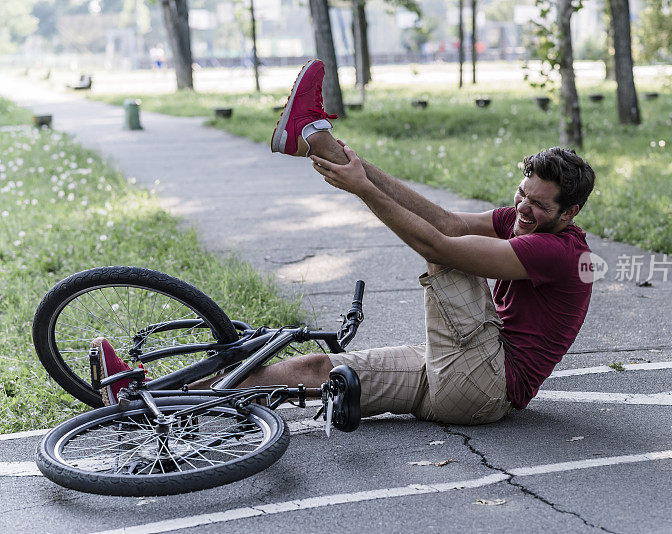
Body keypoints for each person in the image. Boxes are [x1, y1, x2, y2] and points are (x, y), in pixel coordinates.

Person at [97, 59, 596, 427]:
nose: (523, 211)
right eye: (521, 194)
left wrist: (361, 190)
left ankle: (313, 135)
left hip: (486, 386)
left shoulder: (562, 253)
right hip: (463, 370)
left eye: (539, 206)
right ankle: (145, 398)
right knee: (318, 368)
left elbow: (441, 247)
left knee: (453, 257)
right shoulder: (526, 221)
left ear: (569, 213)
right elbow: (442, 216)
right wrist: (359, 167)